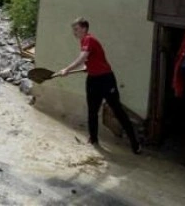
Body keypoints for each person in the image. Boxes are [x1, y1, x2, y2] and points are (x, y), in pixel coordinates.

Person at [57, 17, 142, 154]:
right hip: (93, 79)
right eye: (73, 30)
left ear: (84, 28)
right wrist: (87, 67)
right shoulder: (84, 41)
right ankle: (94, 139)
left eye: (76, 29)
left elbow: (83, 57)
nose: (74, 32)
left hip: (106, 79)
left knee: (117, 110)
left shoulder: (89, 39)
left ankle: (135, 144)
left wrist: (67, 69)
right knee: (92, 111)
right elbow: (90, 59)